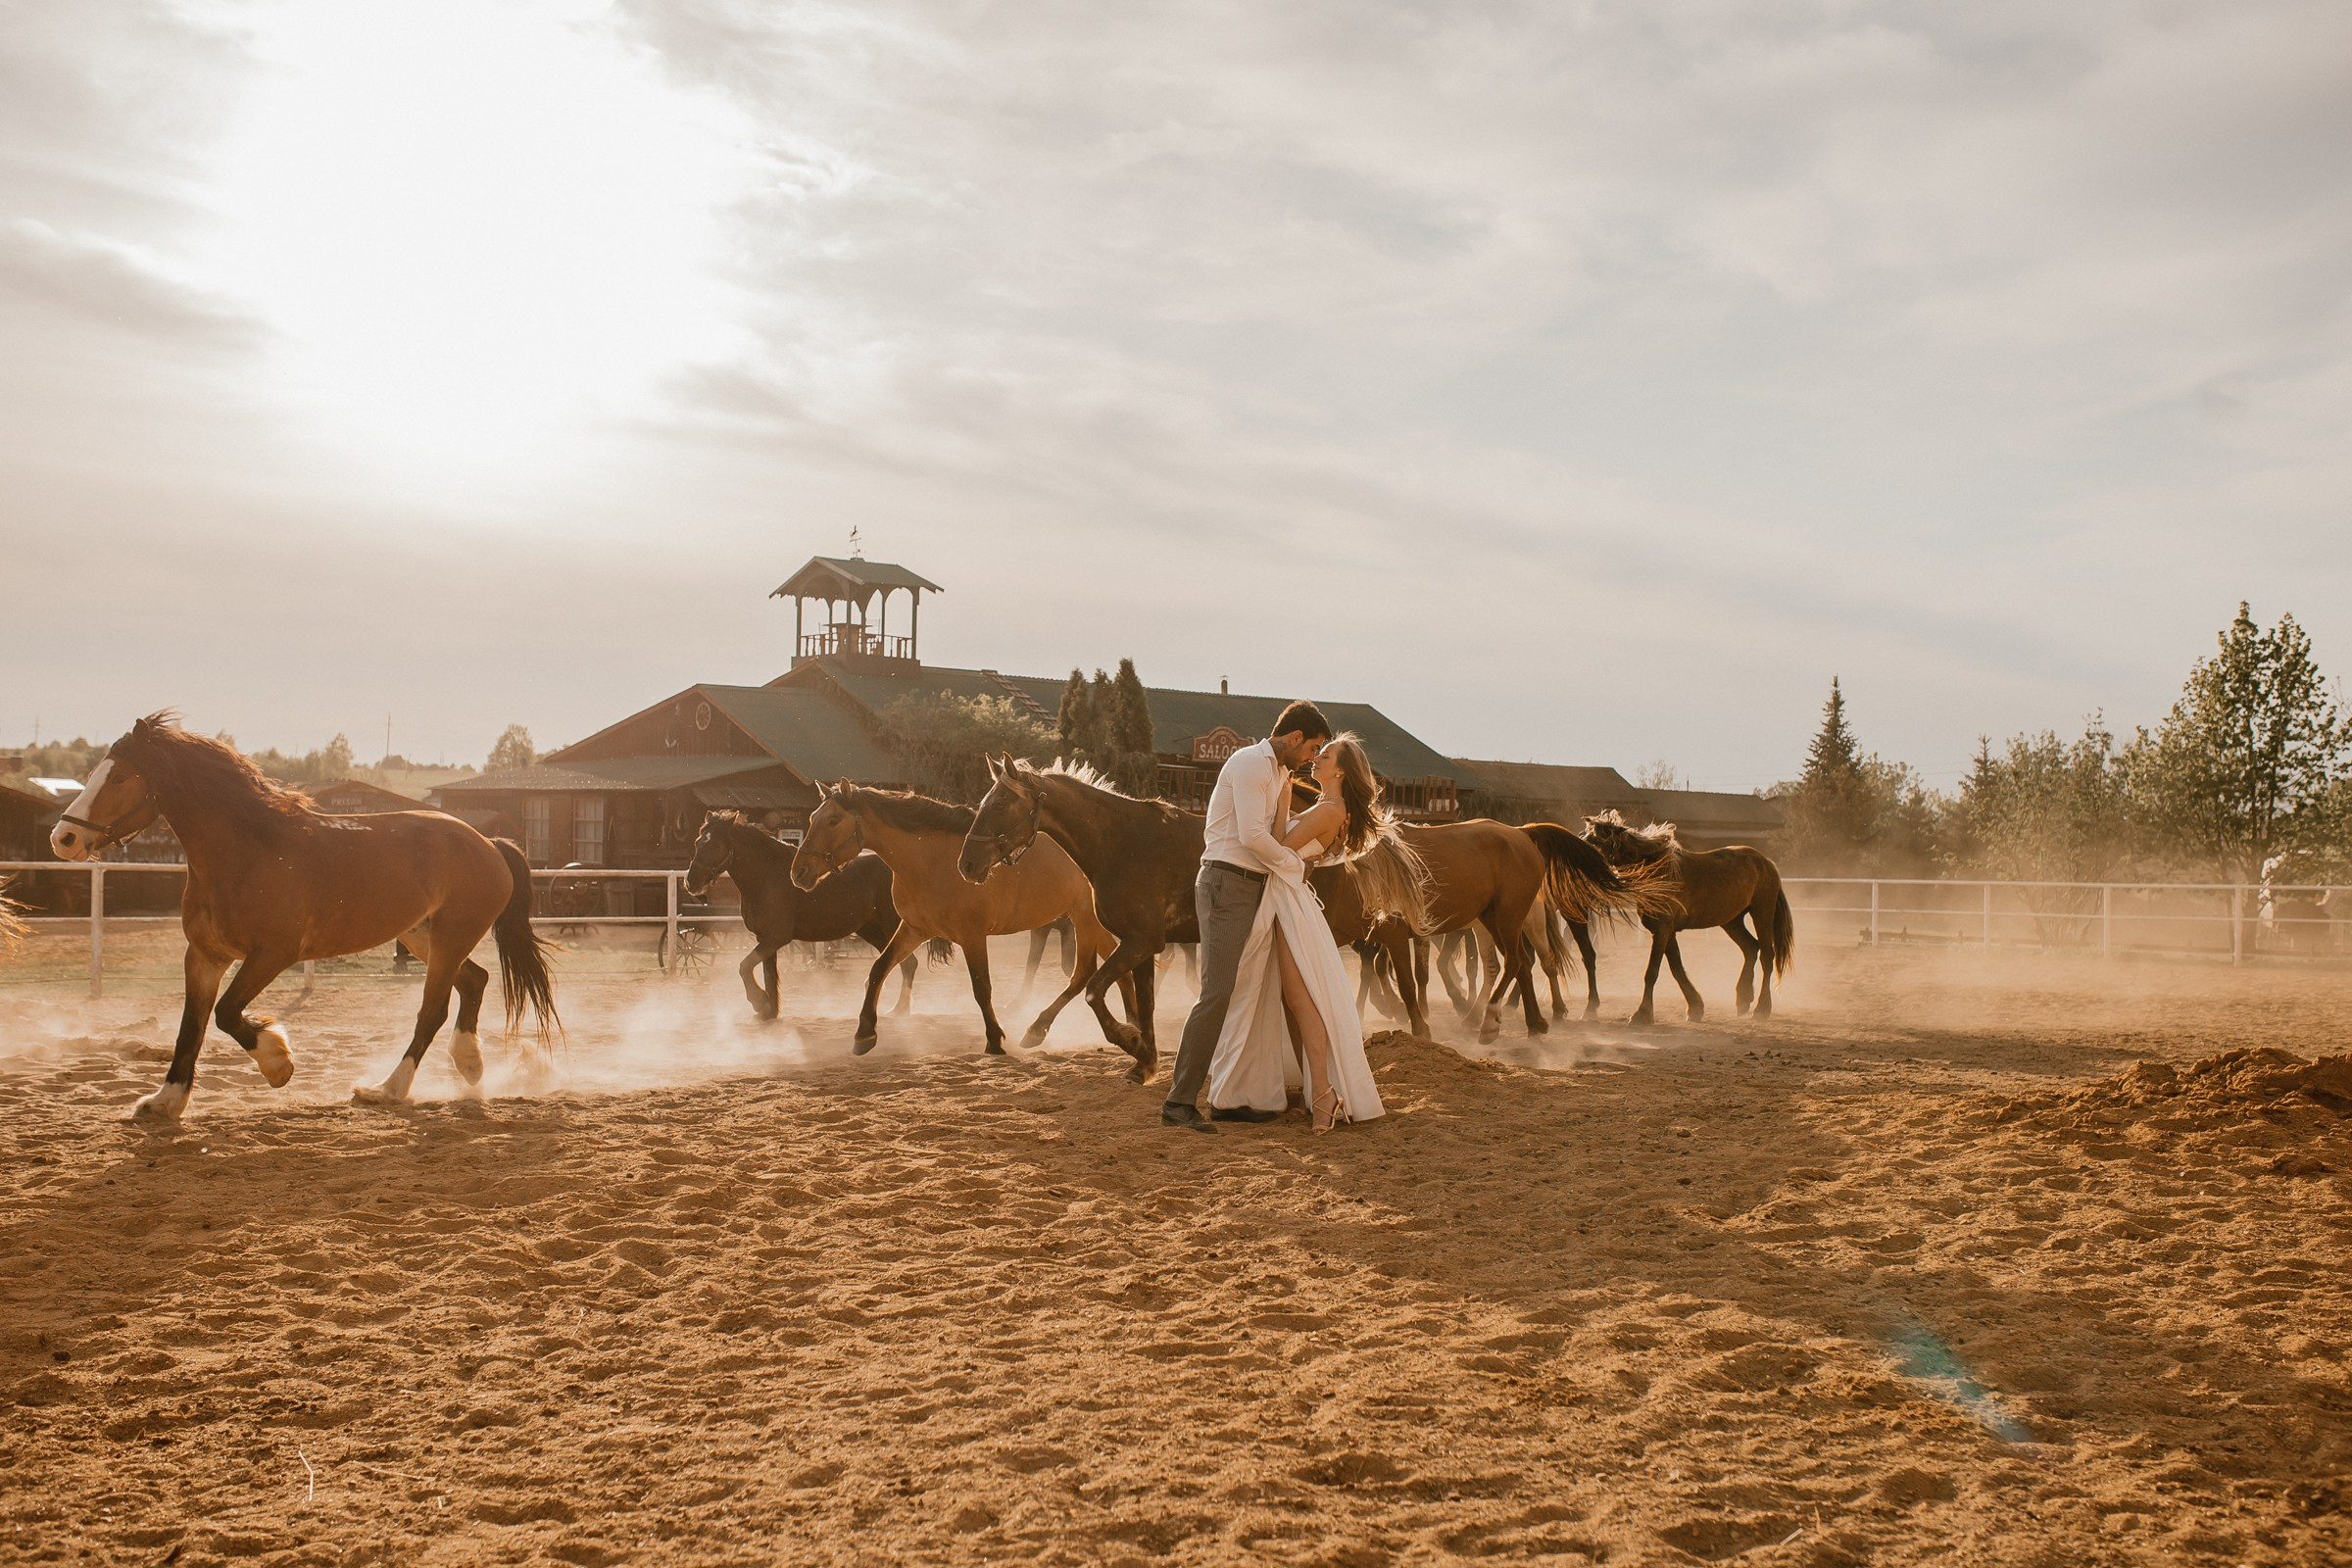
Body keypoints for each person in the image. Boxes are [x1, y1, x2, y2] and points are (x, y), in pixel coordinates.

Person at [1205, 733, 1426, 1132]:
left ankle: (1323, 1093)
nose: (1316, 759)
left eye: (1325, 755)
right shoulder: (1327, 807)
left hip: (1290, 904)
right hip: (1286, 899)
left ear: (1341, 771)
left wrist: (1282, 805)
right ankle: (1316, 1090)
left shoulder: (1329, 810)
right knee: (1294, 999)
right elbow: (1292, 850)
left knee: (1301, 1000)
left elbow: (1277, 846)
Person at [1161, 701, 1331, 1133]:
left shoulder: (1277, 773)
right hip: (1227, 883)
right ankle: (1178, 1103)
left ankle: (1231, 1099)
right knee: (1217, 993)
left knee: (1249, 992)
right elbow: (1253, 837)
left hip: (1251, 886)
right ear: (1295, 737)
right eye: (1312, 748)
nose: (1312, 758)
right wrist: (1295, 865)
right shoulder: (1251, 763)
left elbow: (1275, 831)